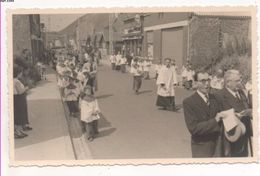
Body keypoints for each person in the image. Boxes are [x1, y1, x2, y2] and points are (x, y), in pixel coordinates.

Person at [183, 71, 225, 157]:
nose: (207, 84)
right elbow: (194, 129)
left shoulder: (216, 98)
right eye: (202, 81)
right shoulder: (189, 102)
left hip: (218, 145)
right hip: (201, 147)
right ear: (195, 83)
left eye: (208, 80)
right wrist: (215, 120)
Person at [215, 70, 252, 157]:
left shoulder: (242, 93)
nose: (240, 83)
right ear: (228, 82)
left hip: (245, 135)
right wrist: (234, 115)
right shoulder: (219, 95)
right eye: (237, 81)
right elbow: (217, 116)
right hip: (231, 138)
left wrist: (250, 111)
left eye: (240, 80)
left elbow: (247, 106)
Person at [13, 66, 32, 139]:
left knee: (18, 114)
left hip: (16, 98)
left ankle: (19, 131)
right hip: (19, 98)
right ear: (18, 73)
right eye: (20, 72)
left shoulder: (14, 80)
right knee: (20, 114)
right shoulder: (16, 81)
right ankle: (18, 131)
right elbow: (20, 91)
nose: (21, 74)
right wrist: (27, 87)